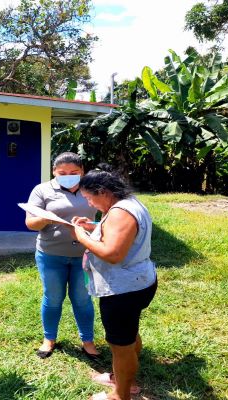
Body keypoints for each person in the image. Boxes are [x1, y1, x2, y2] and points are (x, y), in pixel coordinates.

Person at [71, 168, 157, 400]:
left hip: (123, 289)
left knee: (120, 345)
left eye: (90, 197)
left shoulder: (120, 213)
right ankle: (121, 379)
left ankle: (121, 394)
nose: (89, 203)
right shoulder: (129, 202)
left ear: (103, 191)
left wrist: (82, 237)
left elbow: (113, 253)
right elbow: (121, 235)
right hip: (139, 281)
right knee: (128, 333)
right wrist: (93, 227)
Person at [25, 152, 100, 360]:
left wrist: (90, 226)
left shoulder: (91, 188)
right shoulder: (42, 190)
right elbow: (30, 223)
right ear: (54, 172)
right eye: (62, 172)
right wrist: (47, 219)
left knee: (83, 299)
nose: (68, 175)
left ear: (82, 171)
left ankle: (88, 341)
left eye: (74, 172)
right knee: (53, 297)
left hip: (84, 255)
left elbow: (107, 218)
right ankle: (49, 339)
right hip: (51, 255)